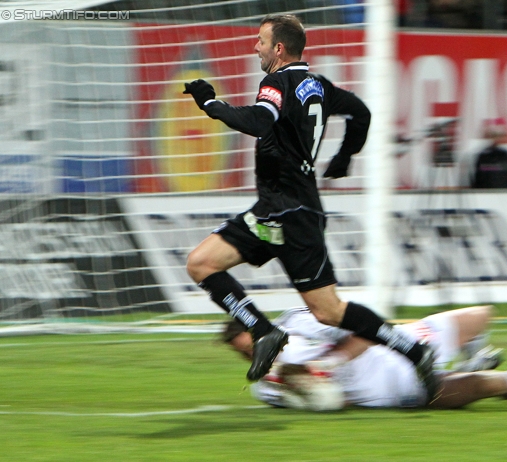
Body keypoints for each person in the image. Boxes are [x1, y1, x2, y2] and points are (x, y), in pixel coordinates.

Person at [183, 13, 437, 394]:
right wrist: (345, 156)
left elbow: (258, 121)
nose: (256, 47)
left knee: (207, 266)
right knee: (323, 309)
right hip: (291, 210)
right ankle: (266, 331)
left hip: (284, 212)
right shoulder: (318, 85)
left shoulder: (277, 81)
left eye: (261, 41)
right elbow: (361, 113)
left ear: (279, 49)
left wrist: (210, 103)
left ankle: (267, 331)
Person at [223, 305, 507, 411]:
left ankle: (472, 356)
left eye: (253, 339)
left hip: (399, 345)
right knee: (491, 387)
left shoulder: (299, 322)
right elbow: (331, 403)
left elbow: (365, 329)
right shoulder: (267, 391)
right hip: (396, 388)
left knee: (479, 316)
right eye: (246, 351)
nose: (254, 349)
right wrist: (312, 389)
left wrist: (325, 366)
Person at [471, 118, 507, 189]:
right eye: (493, 136)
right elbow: (479, 177)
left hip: (505, 193)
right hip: (486, 193)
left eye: (499, 135)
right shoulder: (483, 155)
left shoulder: (506, 154)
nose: (496, 139)